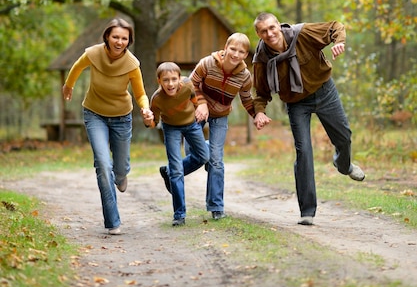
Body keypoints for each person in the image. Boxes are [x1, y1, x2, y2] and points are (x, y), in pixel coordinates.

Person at [252, 12, 365, 226]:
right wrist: (259, 111)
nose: (269, 33)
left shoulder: (302, 34)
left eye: (272, 28)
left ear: (279, 25)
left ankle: (344, 165)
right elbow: (261, 92)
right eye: (263, 31)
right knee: (303, 152)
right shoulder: (262, 60)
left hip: (324, 91)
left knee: (344, 137)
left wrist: (339, 42)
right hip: (296, 103)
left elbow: (335, 26)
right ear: (258, 34)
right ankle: (307, 211)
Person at [62, 17, 152, 235]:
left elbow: (140, 93)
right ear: (107, 37)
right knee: (103, 164)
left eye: (124, 38)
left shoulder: (132, 64)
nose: (119, 41)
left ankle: (121, 176)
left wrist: (145, 108)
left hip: (121, 117)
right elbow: (77, 66)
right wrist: (68, 85)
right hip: (94, 114)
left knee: (119, 169)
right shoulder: (93, 54)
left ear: (129, 41)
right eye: (115, 37)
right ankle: (113, 222)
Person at [189, 32, 270, 220]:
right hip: (197, 112)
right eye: (233, 49)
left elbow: (247, 99)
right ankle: (171, 173)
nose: (236, 54)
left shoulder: (244, 76)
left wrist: (257, 114)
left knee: (216, 160)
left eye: (241, 52)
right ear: (225, 47)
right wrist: (200, 103)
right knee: (196, 156)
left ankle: (216, 207)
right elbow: (191, 83)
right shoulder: (207, 63)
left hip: (220, 116)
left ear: (245, 55)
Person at [143, 62, 209, 226]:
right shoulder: (157, 99)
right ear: (159, 81)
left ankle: (169, 171)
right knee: (177, 170)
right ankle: (179, 214)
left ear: (180, 78)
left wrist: (198, 107)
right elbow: (153, 123)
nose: (170, 84)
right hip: (171, 128)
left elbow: (194, 97)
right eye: (166, 80)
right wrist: (148, 121)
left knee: (203, 156)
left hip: (191, 124)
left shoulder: (187, 84)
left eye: (174, 79)